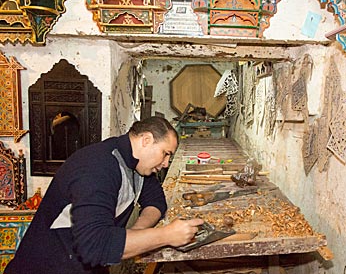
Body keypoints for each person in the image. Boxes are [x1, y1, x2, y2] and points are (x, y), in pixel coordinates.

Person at [5, 116, 203, 274]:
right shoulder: (97, 167)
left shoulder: (139, 165)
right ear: (146, 140)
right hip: (49, 266)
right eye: (165, 153)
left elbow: (156, 202)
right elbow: (95, 246)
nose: (166, 163)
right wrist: (166, 235)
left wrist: (137, 233)